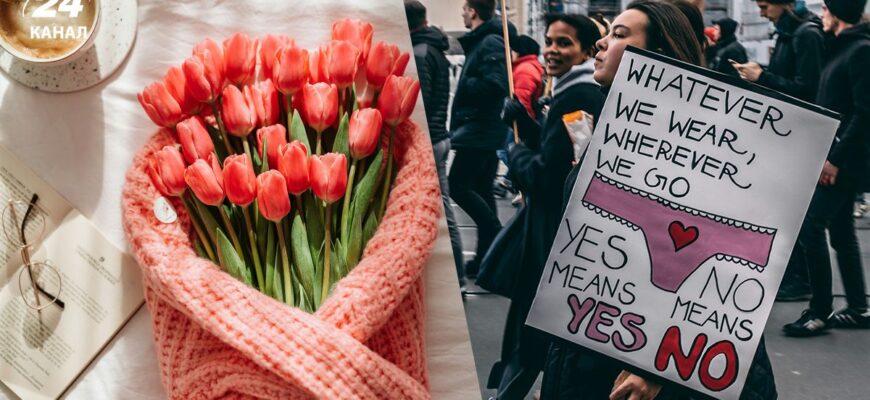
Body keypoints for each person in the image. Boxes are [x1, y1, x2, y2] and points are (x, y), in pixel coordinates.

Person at [541, 1, 777, 399]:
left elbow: (719, 280)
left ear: (657, 54)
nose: (601, 43)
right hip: (599, 339)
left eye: (619, 35)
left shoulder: (701, 146)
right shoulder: (621, 127)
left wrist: (656, 367)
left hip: (658, 365)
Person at [493, 13, 606, 400]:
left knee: (532, 330)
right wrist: (525, 122)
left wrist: (514, 153)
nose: (552, 50)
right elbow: (561, 150)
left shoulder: (578, 95)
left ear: (586, 50)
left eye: (564, 43)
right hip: (554, 227)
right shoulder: (573, 90)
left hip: (551, 229)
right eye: (550, 41)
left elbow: (547, 175)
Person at [782, 0, 870, 337]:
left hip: (845, 160)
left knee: (810, 225)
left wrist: (835, 158)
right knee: (842, 231)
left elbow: (864, 112)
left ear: (837, 13)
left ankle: (820, 311)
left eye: (825, 10)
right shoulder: (842, 47)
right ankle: (859, 308)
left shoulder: (860, 50)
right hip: (838, 156)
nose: (821, 16)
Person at [734, 0, 825, 301]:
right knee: (785, 212)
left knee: (795, 214)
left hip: (799, 137)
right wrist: (761, 76)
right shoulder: (790, 32)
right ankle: (795, 276)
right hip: (788, 135)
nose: (761, 12)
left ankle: (801, 279)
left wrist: (763, 78)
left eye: (764, 6)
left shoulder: (805, 34)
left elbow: (808, 89)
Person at [448, 0, 514, 278]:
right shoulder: (485, 40)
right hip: (481, 129)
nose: (462, 13)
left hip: (479, 130)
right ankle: (485, 260)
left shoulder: (489, 42)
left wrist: (468, 84)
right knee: (482, 190)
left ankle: (495, 234)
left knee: (457, 185)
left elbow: (496, 84)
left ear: (473, 11)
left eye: (465, 9)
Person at [404, 0, 466, 288]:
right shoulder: (434, 47)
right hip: (440, 136)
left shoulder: (420, 52)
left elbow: (421, 103)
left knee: (437, 211)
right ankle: (457, 277)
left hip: (429, 140)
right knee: (442, 209)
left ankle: (454, 278)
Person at [733, 0, 824, 103]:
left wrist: (761, 76)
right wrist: (757, 71)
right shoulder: (786, 31)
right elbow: (783, 73)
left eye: (764, 7)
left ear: (784, 4)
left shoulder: (807, 34)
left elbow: (806, 90)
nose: (762, 14)